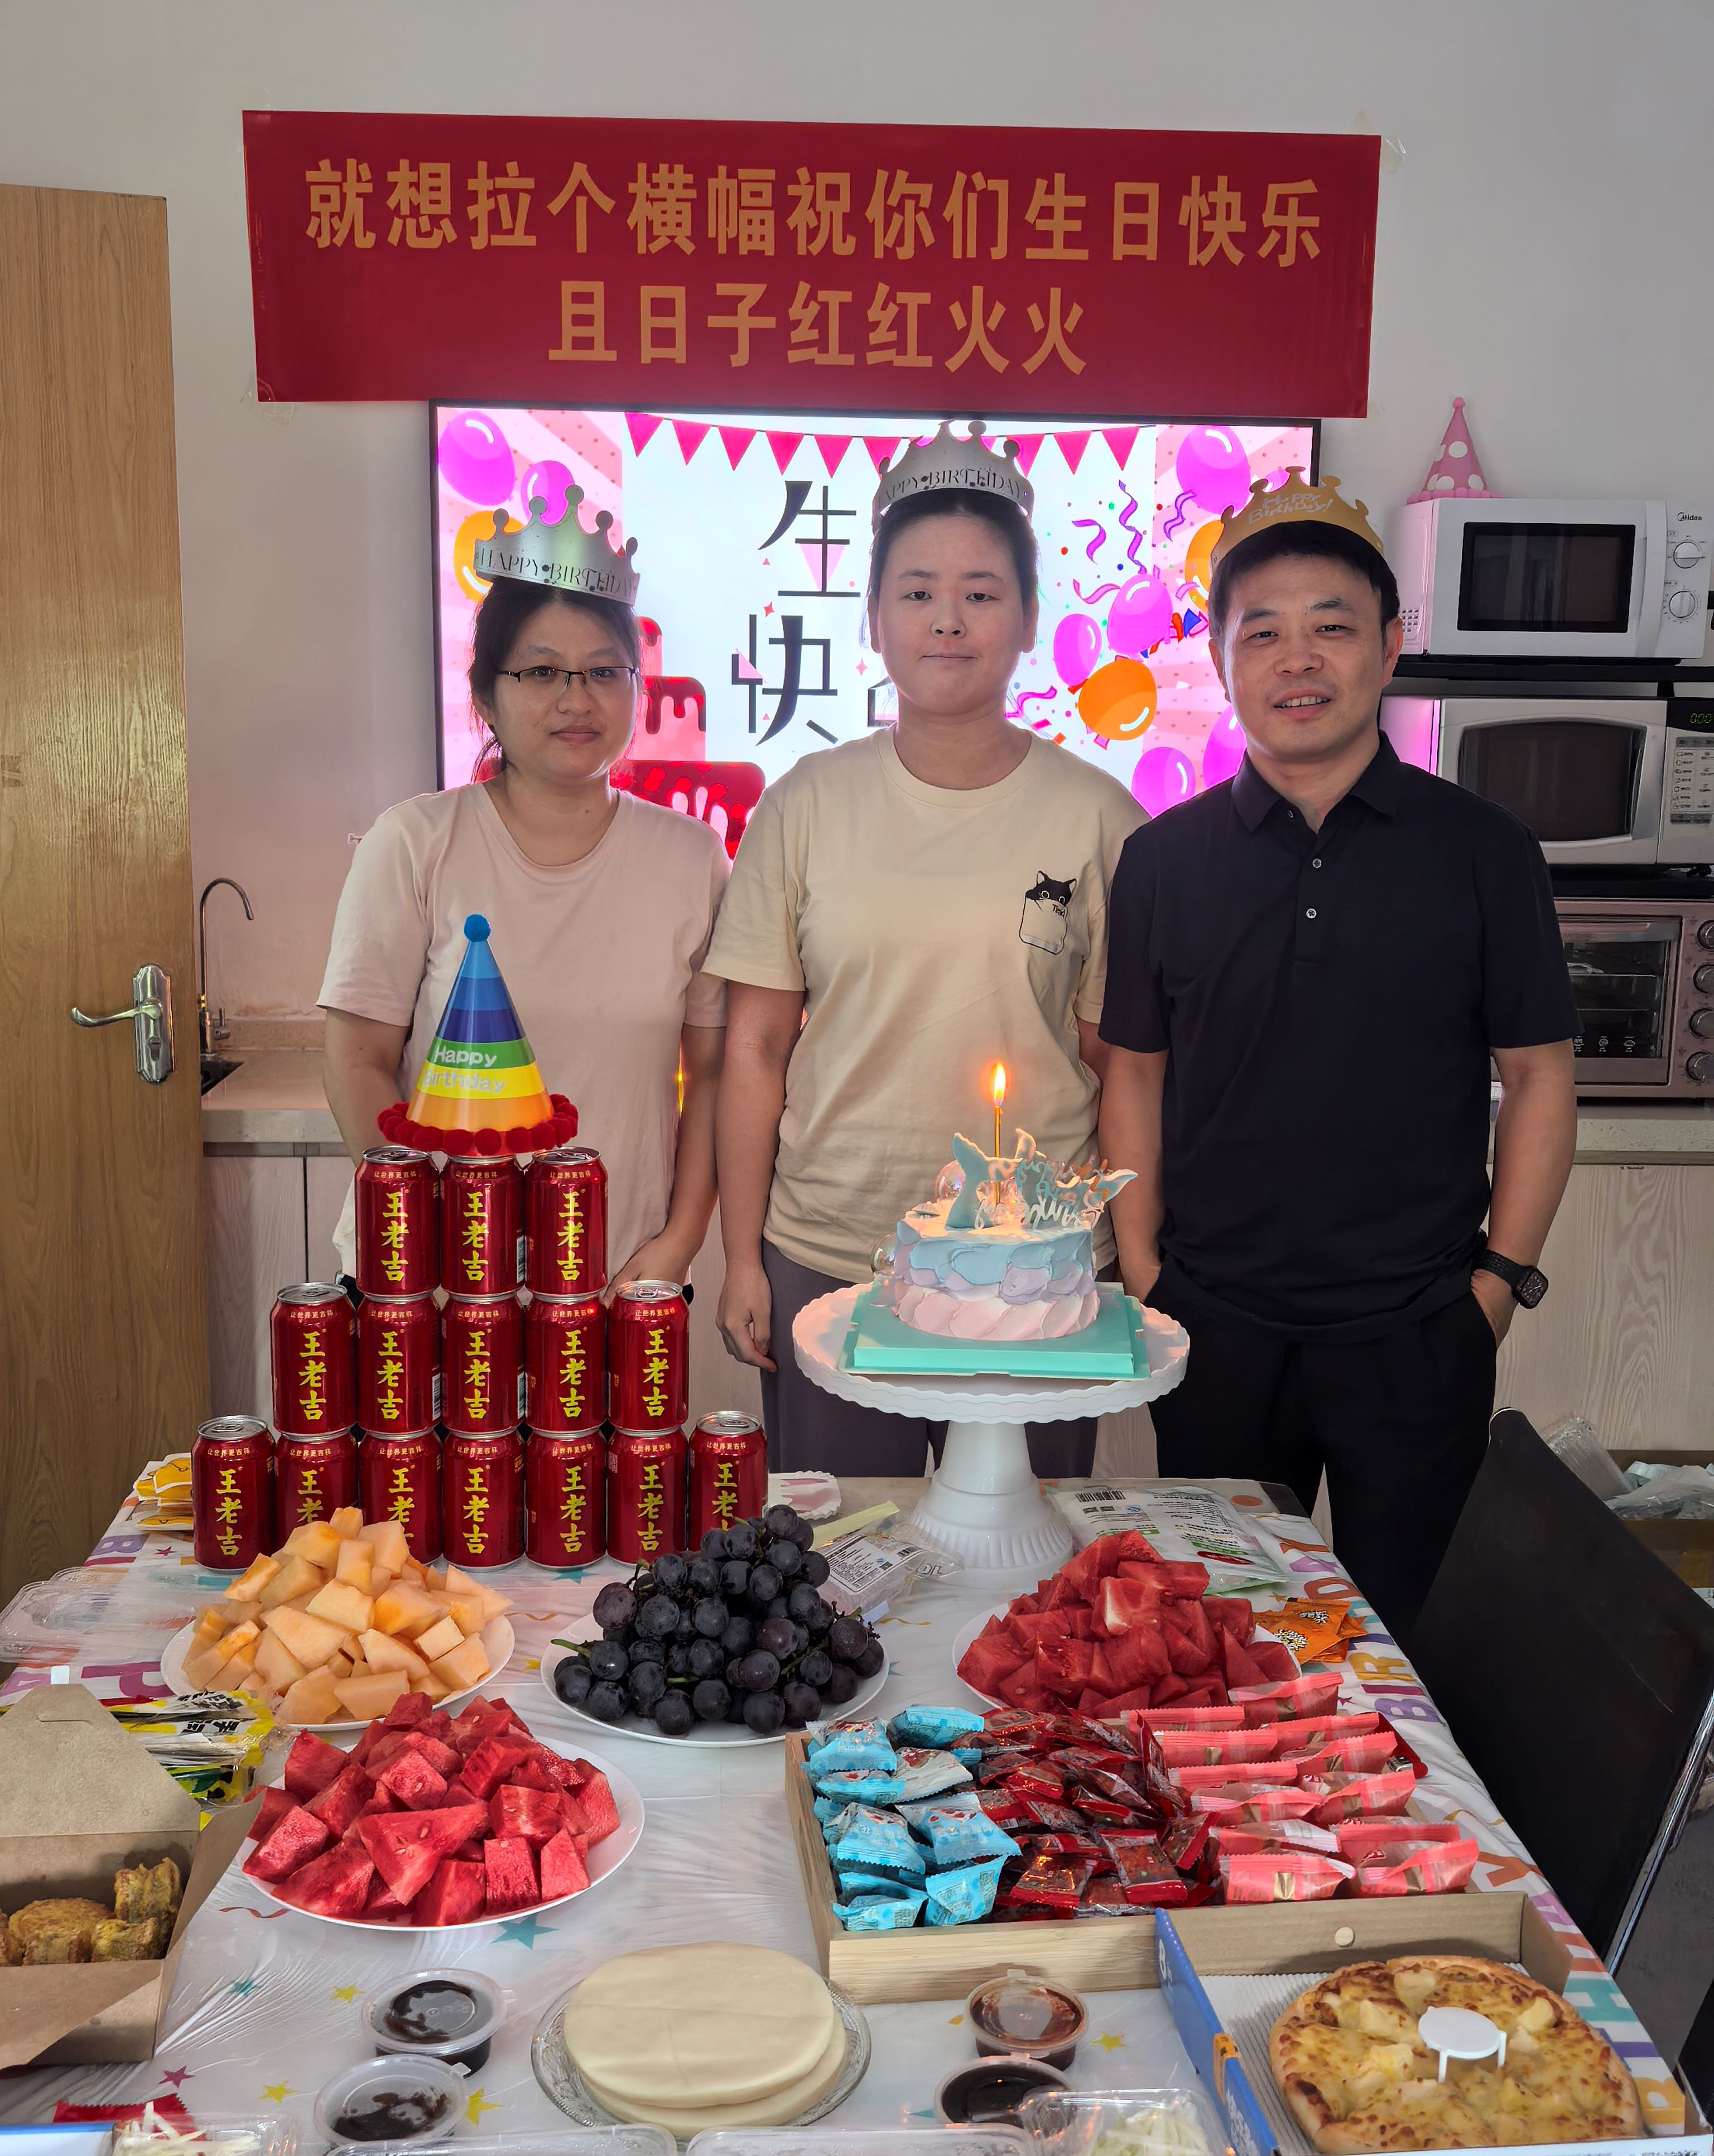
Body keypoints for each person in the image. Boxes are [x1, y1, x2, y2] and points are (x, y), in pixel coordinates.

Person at [1096, 472, 1579, 1642]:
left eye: (1333, 626)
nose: (1298, 659)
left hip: (1419, 1331)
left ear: (1391, 643)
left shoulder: (1484, 851)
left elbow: (1540, 1077)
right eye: (1262, 631)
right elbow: (1135, 1072)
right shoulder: (1163, 860)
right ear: (1220, 660)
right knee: (1220, 1641)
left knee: (1410, 1656)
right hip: (1215, 1329)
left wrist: (1496, 1289)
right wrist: (1149, 1271)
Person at [707, 422, 1144, 1475]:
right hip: (832, 1253)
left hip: (1037, 1268)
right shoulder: (805, 805)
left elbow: (1121, 1060)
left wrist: (1138, 1258)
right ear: (874, 617)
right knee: (848, 1551)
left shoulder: (1100, 819)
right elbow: (755, 1049)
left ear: (1029, 616)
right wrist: (741, 1257)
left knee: (1026, 1554)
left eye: (982, 593)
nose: (948, 620)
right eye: (916, 592)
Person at [319, 499, 726, 1290]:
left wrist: (678, 1242)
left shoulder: (691, 859)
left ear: (637, 688)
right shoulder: (416, 843)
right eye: (541, 672)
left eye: (604, 671)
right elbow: (357, 1058)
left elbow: (710, 1074)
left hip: (616, 1278)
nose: (576, 699)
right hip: (431, 1278)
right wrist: (425, 1221)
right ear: (485, 695)